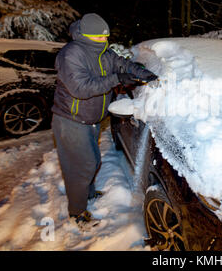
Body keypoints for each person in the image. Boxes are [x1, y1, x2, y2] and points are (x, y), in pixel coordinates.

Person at [51, 13, 157, 230]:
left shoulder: (103, 51)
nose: (104, 41)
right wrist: (116, 79)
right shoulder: (71, 54)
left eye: (106, 37)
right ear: (86, 36)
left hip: (90, 120)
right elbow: (81, 89)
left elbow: (122, 64)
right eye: (99, 38)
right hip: (70, 120)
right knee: (81, 166)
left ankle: (87, 193)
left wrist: (144, 73)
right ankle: (77, 212)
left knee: (92, 161)